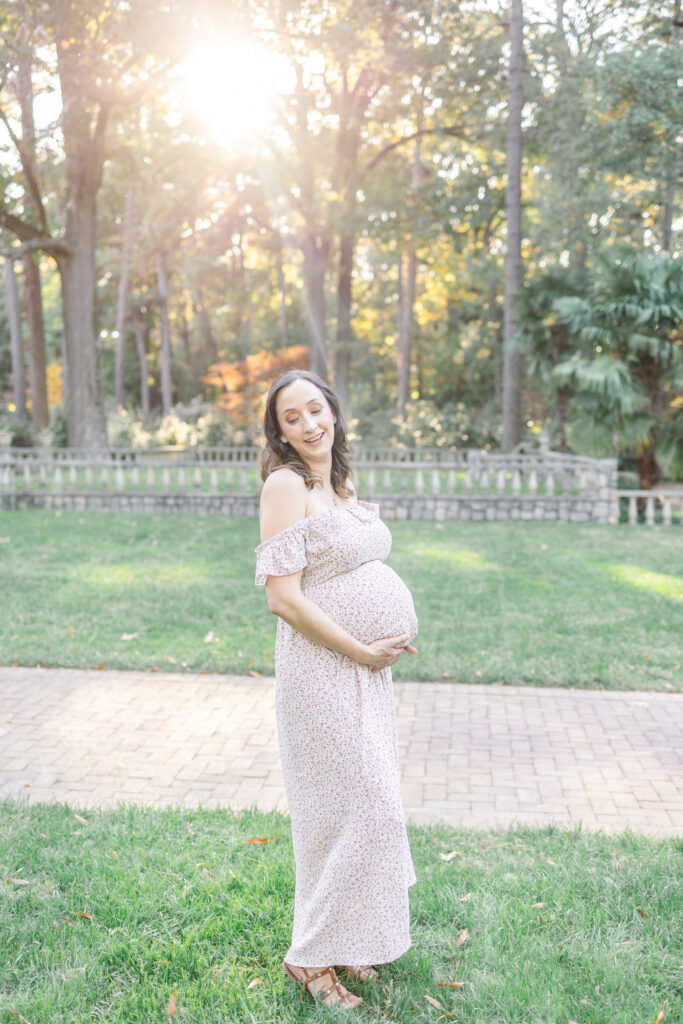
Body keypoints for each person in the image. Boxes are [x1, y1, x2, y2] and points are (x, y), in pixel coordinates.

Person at [254, 369, 419, 1010]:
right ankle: (309, 961)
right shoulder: (285, 485)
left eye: (315, 409)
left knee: (369, 806)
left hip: (362, 674)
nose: (308, 424)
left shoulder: (339, 484)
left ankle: (347, 940)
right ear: (280, 432)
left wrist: (378, 643)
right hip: (320, 672)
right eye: (291, 418)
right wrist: (358, 648)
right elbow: (283, 599)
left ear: (333, 412)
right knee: (346, 814)